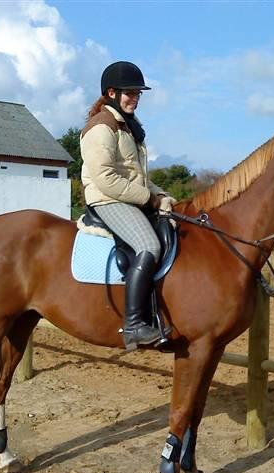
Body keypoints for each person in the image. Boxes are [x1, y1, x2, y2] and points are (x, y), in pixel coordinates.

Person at [80, 61, 175, 350]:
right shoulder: (101, 127)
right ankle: (134, 325)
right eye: (129, 93)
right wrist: (149, 199)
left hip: (126, 195)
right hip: (107, 198)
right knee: (150, 246)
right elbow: (106, 177)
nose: (134, 98)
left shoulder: (127, 126)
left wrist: (163, 195)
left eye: (138, 93)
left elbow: (138, 177)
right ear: (111, 93)